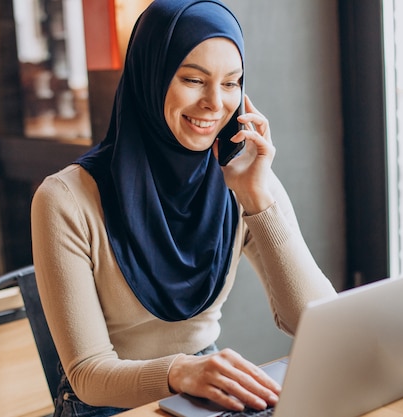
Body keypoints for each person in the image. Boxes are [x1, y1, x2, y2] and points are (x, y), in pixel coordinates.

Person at [31, 0, 337, 416]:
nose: (215, 103)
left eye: (232, 83)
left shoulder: (244, 175)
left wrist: (258, 200)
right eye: (194, 79)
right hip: (104, 405)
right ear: (150, 78)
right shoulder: (64, 199)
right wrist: (181, 373)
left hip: (201, 388)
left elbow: (319, 324)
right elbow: (87, 374)